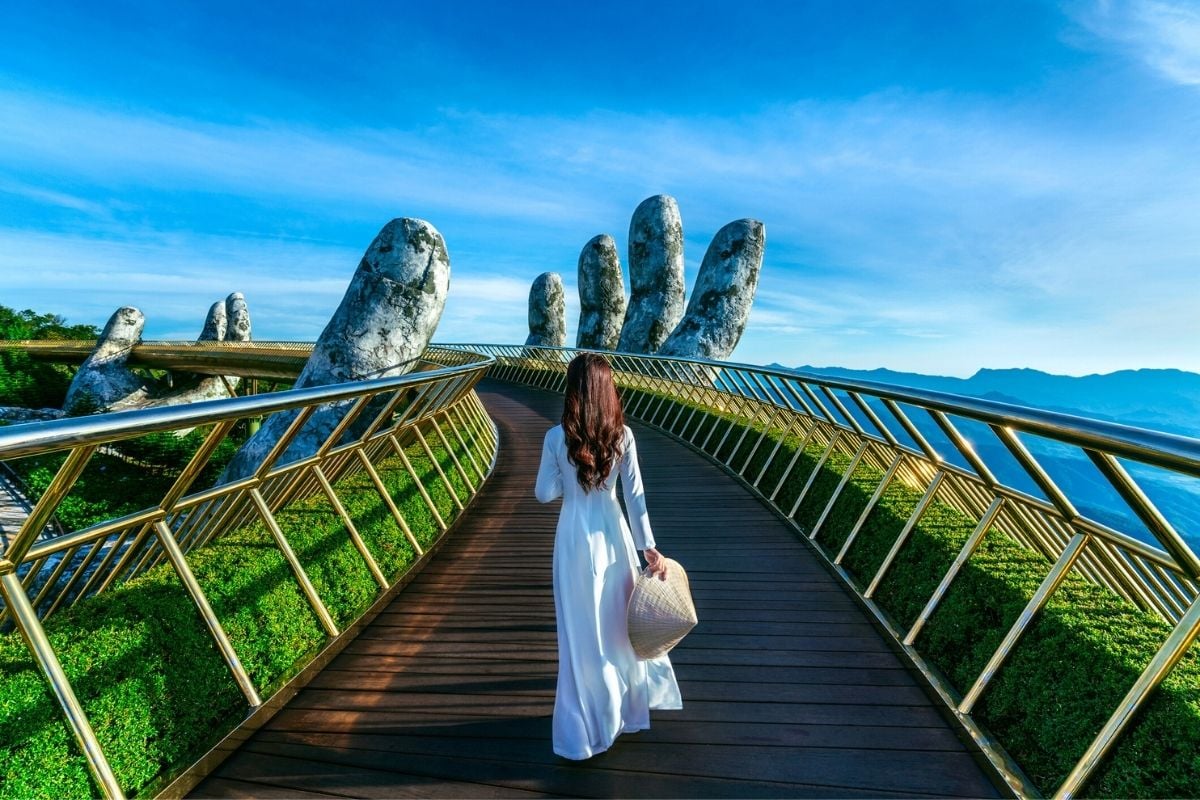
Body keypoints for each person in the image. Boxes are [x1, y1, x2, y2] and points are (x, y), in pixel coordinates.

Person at [534, 352, 683, 760]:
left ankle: (584, 724)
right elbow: (635, 499)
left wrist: (570, 478)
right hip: (615, 539)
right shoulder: (624, 436)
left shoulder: (554, 437)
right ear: (607, 389)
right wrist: (649, 549)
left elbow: (543, 493)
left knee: (581, 634)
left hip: (573, 541)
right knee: (619, 626)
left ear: (572, 390)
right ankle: (626, 711)